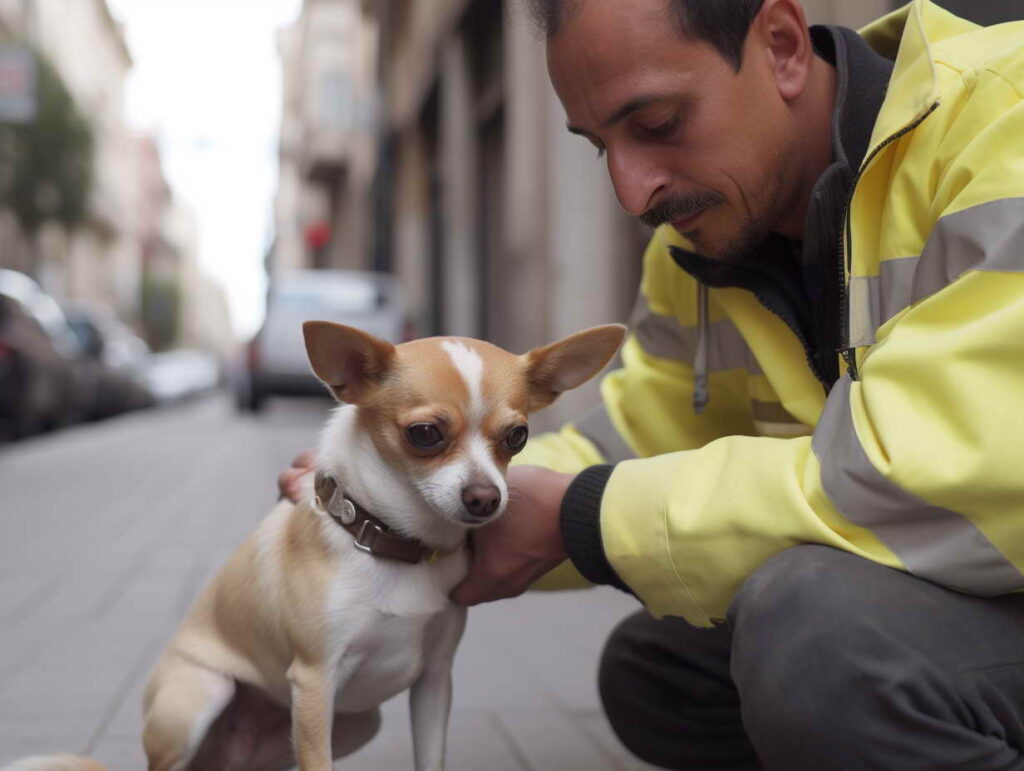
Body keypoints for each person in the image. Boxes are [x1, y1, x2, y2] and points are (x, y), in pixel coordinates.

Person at [281, 0, 1024, 767]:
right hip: (975, 595)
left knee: (811, 633)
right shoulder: (694, 253)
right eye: (600, 148)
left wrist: (581, 517)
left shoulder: (1006, 118)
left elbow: (951, 468)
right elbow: (628, 440)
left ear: (782, 46)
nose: (635, 194)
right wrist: (400, 502)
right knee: (659, 667)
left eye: (659, 123)